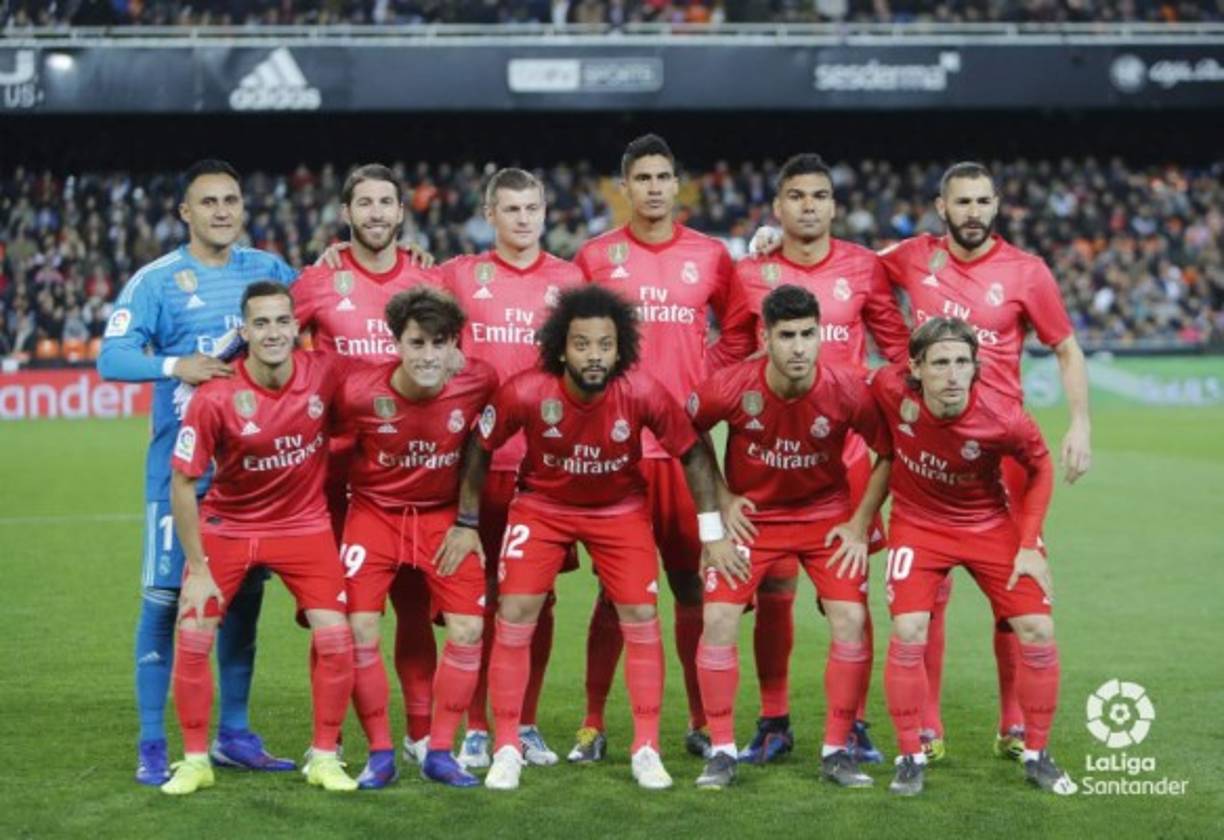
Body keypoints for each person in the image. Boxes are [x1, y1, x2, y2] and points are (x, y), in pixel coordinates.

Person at [753, 160, 1091, 761]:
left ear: (997, 205)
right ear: (942, 208)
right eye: (962, 202)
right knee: (925, 597)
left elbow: (1065, 347)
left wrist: (1080, 423)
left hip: (1002, 448)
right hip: (928, 445)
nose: (973, 213)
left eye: (983, 201)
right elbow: (842, 261)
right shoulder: (910, 257)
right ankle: (927, 728)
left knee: (1015, 591)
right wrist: (775, 242)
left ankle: (1013, 723)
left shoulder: (1027, 271)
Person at [441, 284, 741, 791]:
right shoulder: (526, 391)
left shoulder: (642, 391)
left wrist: (711, 533)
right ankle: (508, 745)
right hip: (543, 507)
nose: (595, 355)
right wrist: (467, 524)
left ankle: (646, 748)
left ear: (620, 348)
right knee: (516, 611)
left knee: (641, 614)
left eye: (605, 344)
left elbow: (691, 451)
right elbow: (480, 445)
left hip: (618, 510)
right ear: (561, 348)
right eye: (582, 345)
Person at [97, 159, 297, 785]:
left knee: (241, 604)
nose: (221, 211)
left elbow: (323, 304)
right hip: (179, 471)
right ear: (185, 212)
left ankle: (234, 733)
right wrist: (174, 364)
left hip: (251, 474)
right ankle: (153, 743)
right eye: (207, 202)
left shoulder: (268, 270)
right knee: (164, 600)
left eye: (230, 200)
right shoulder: (157, 281)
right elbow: (112, 357)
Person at [715, 153, 911, 765]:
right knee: (774, 588)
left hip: (845, 458)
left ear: (834, 205)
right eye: (796, 196)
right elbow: (730, 352)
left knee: (846, 600)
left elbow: (898, 349)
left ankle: (851, 724)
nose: (808, 206)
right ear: (778, 206)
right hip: (770, 457)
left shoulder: (864, 266)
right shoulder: (751, 272)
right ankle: (773, 720)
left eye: (819, 196)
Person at [571, 133, 737, 761]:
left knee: (693, 586)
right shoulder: (595, 258)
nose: (655, 188)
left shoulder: (711, 256)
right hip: (619, 453)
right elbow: (570, 340)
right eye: (642, 178)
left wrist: (703, 378)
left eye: (664, 177)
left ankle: (701, 721)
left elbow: (741, 327)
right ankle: (593, 724)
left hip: (688, 453)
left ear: (677, 183)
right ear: (625, 188)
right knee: (617, 594)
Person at [688, 284, 892, 789]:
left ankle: (836, 751)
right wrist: (721, 504)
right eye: (787, 336)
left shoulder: (846, 388)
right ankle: (721, 751)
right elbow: (688, 435)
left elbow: (889, 451)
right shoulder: (731, 385)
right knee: (718, 618)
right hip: (753, 520)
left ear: (820, 334)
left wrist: (859, 524)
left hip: (824, 518)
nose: (799, 347)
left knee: (851, 618)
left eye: (808, 334)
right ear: (765, 338)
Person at [162, 282, 356, 795]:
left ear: (297, 327)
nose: (273, 333)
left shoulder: (324, 372)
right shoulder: (215, 396)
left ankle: (325, 756)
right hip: (230, 526)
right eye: (261, 323)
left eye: (282, 321)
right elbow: (182, 481)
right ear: (244, 331)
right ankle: (196, 760)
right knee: (193, 630)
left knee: (337, 639)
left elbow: (380, 380)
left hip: (303, 525)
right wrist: (197, 568)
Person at [870, 316, 1075, 797]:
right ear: (916, 368)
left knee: (1038, 628)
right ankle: (909, 756)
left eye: (963, 362)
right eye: (941, 363)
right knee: (909, 629)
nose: (953, 374)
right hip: (918, 525)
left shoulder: (1003, 416)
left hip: (987, 525)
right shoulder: (888, 387)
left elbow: (1041, 466)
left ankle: (1038, 755)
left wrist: (1029, 544)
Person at [293, 163, 440, 766]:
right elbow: (271, 346)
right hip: (334, 473)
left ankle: (421, 733)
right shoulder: (317, 281)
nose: (376, 213)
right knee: (333, 613)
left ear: (401, 212)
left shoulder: (429, 281)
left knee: (413, 608)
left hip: (412, 470)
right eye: (365, 203)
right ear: (346, 213)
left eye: (386, 203)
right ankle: (328, 738)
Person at [438, 167, 585, 770]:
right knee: (476, 598)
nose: (523, 220)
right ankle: (477, 726)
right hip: (476, 463)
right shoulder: (458, 275)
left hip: (545, 467)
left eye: (532, 209)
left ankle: (523, 721)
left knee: (536, 600)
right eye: (512, 210)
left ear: (545, 212)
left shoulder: (570, 280)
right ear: (490, 215)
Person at [332, 287, 497, 789]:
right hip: (374, 515)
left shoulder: (480, 381)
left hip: (442, 520)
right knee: (359, 629)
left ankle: (439, 752)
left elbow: (483, 448)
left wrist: (468, 522)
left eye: (439, 343)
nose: (428, 356)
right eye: (417, 343)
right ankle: (380, 752)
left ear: (455, 346)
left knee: (468, 629)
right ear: (396, 344)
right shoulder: (359, 392)